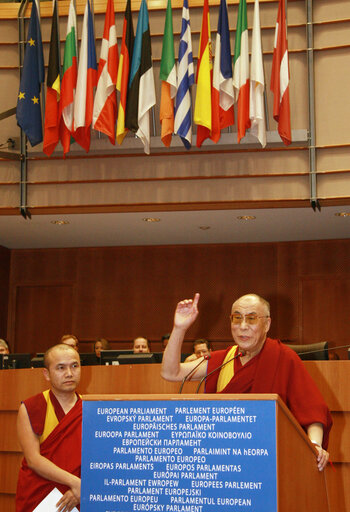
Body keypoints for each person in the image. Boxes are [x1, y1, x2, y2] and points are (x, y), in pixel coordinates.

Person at [161, 292, 332, 472]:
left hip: (272, 459)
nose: (242, 326)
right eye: (237, 318)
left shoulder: (284, 358)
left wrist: (315, 445)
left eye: (251, 319)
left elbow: (312, 409)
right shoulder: (223, 359)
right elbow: (170, 373)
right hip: (224, 459)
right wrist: (179, 328)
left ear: (267, 324)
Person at [16, 344, 82, 512]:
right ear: (46, 374)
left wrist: (81, 489)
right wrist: (76, 483)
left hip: (79, 495)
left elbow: (98, 459)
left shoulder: (91, 408)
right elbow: (33, 460)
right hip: (40, 496)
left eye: (74, 366)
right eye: (61, 368)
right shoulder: (32, 407)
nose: (69, 373)